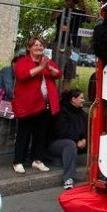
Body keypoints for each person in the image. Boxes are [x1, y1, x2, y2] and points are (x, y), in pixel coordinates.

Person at [11, 36, 61, 174]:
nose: (39, 47)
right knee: (24, 134)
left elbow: (58, 74)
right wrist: (40, 67)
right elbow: (22, 75)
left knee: (40, 134)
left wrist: (49, 68)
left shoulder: (46, 61)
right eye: (36, 45)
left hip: (44, 105)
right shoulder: (23, 61)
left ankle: (37, 160)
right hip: (27, 105)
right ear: (29, 48)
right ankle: (18, 161)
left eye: (41, 45)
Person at [49, 88, 88, 190]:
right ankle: (68, 178)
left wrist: (84, 139)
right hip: (56, 143)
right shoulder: (61, 112)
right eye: (81, 98)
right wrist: (77, 140)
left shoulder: (82, 114)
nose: (83, 100)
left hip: (77, 142)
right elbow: (62, 131)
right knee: (70, 144)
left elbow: (87, 130)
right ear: (73, 99)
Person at [52, 0, 89, 91]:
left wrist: (84, 4)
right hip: (61, 43)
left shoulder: (78, 12)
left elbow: (89, 18)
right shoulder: (62, 9)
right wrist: (66, 6)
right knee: (56, 71)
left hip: (75, 47)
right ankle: (53, 95)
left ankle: (64, 96)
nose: (73, 1)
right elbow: (53, 16)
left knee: (69, 73)